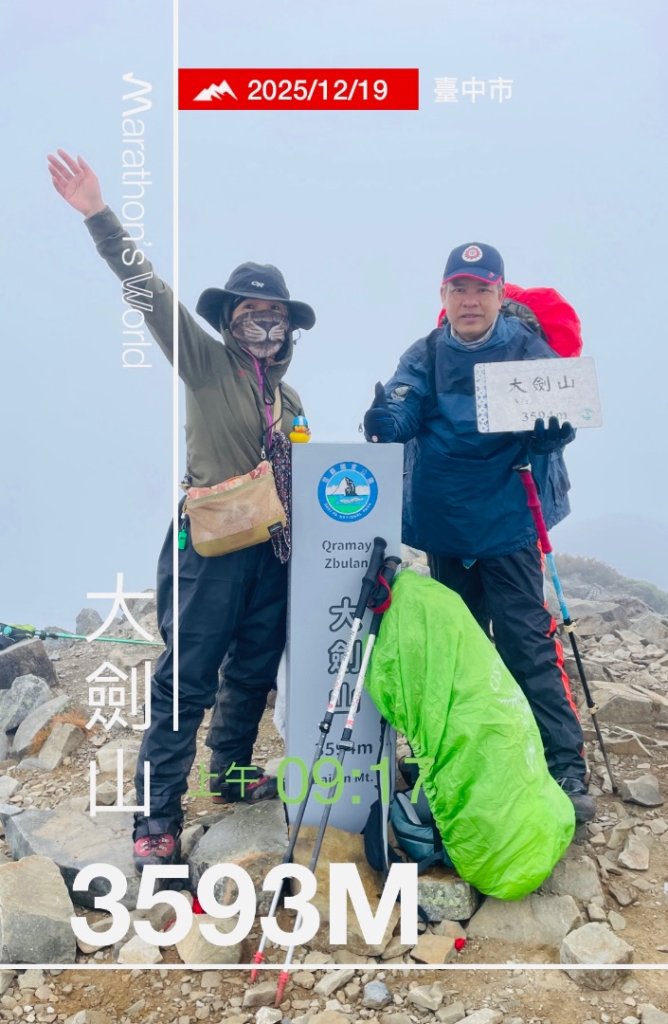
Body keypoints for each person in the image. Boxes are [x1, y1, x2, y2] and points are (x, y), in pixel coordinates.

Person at [48, 149, 316, 869]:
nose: (265, 326)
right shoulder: (206, 363)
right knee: (187, 680)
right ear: (228, 320)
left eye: (275, 317)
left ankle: (229, 774)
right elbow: (151, 294)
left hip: (271, 554)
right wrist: (99, 215)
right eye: (251, 314)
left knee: (252, 671)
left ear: (289, 329)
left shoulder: (289, 399)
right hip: (210, 550)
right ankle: (156, 817)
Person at [363, 241, 595, 824]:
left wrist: (553, 434)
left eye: (482, 289)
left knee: (526, 644)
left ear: (498, 293)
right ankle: (463, 758)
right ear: (443, 296)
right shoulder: (425, 353)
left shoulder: (527, 348)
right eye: (459, 289)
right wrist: (387, 420)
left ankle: (564, 765)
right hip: (447, 526)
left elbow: (560, 410)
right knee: (457, 649)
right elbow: (405, 403)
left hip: (509, 522)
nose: (470, 300)